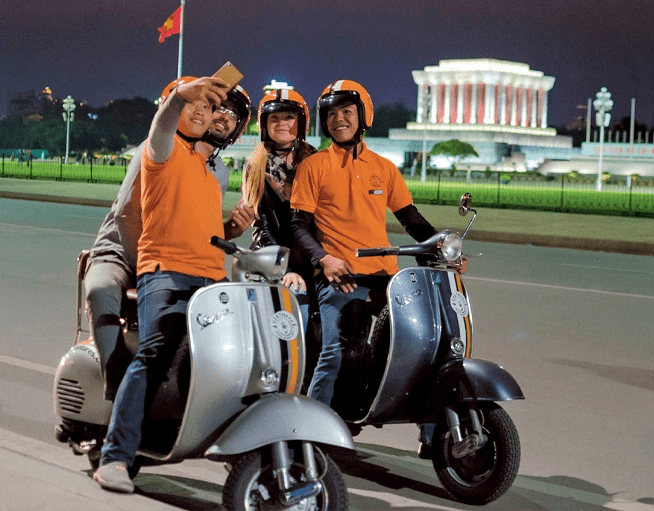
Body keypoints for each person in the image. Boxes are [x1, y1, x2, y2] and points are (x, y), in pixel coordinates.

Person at [93, 76, 253, 493]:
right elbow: (163, 122)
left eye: (209, 108)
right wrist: (182, 96)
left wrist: (232, 228)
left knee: (242, 353)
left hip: (212, 276)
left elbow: (199, 226)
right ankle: (116, 456)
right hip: (165, 270)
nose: (202, 113)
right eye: (192, 106)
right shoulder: (160, 151)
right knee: (155, 350)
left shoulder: (210, 167)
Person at [290, 79, 466, 457]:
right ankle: (309, 430)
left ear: (363, 117)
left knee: (429, 342)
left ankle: (433, 432)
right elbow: (298, 226)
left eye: (347, 113)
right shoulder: (314, 166)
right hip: (340, 275)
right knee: (336, 350)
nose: (339, 120)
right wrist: (324, 259)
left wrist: (442, 250)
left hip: (387, 278)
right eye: (332, 114)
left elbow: (411, 220)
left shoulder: (383, 168)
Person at [241, 88, 317, 324]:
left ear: (301, 122)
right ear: (264, 123)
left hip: (311, 256)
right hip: (272, 255)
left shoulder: (315, 160)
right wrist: (285, 269)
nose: (281, 123)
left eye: (289, 117)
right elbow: (261, 225)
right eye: (274, 118)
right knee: (296, 307)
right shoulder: (256, 165)